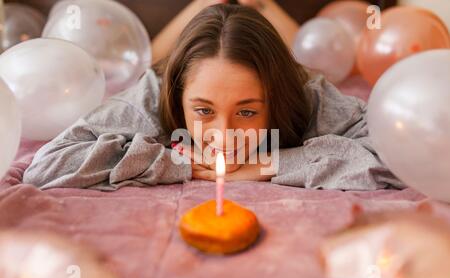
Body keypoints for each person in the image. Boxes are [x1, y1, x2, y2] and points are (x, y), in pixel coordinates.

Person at [23, 3, 404, 191]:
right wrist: (173, 163)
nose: (223, 136)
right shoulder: (150, 96)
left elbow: (398, 157)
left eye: (247, 111)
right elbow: (47, 167)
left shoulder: (309, 95)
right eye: (203, 110)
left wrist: (271, 165)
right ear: (179, 95)